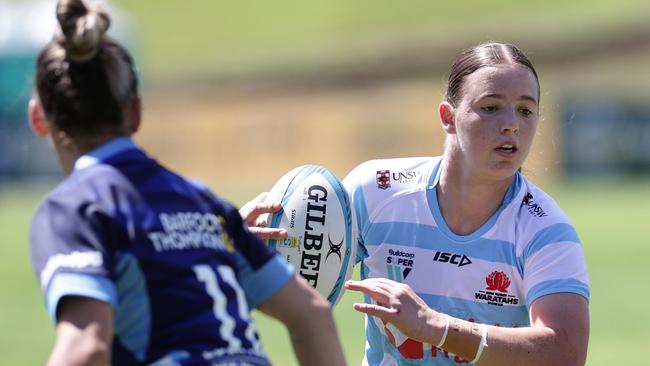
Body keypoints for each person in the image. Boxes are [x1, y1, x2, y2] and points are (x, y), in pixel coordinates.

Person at [27, 1, 345, 365]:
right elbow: (313, 314)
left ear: (38, 118)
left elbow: (86, 349)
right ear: (135, 113)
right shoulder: (204, 203)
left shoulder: (74, 208)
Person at [339, 42, 590, 365]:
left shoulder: (546, 230)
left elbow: (564, 352)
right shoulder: (374, 191)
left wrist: (436, 327)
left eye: (526, 110)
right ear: (448, 117)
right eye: (491, 107)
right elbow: (303, 273)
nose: (511, 123)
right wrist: (258, 235)